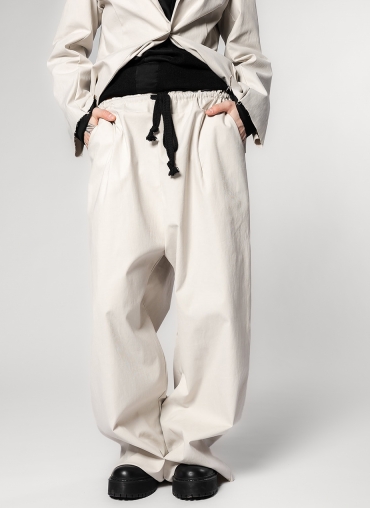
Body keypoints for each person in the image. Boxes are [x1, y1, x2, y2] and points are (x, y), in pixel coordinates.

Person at [47, 0, 272, 501]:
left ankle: (193, 446)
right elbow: (68, 48)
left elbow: (247, 47)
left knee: (214, 289)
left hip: (206, 124)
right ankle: (140, 448)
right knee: (118, 294)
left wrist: (243, 109)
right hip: (124, 126)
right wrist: (84, 117)